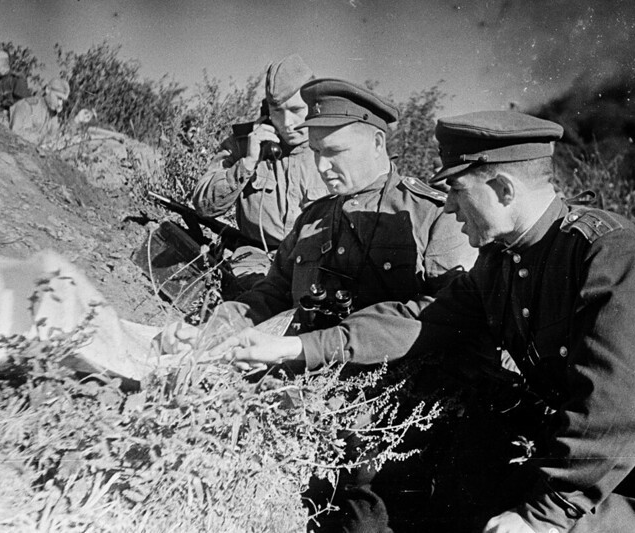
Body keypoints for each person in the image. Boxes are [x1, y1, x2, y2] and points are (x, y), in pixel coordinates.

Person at [225, 110, 635, 533]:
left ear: (502, 189)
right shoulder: (499, 262)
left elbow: (617, 411)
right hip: (569, 458)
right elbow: (418, 319)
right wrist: (295, 349)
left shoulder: (608, 252)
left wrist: (541, 518)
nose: (448, 207)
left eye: (456, 189)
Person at [179, 78, 477, 531]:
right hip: (304, 409)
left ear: (377, 143)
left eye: (334, 152)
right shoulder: (315, 218)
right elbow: (270, 295)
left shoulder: (433, 215)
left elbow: (439, 315)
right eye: (316, 153)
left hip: (393, 426)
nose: (322, 166)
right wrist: (211, 332)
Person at [192, 54, 330, 294]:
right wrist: (248, 161)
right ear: (267, 110)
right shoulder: (244, 144)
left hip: (317, 262)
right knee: (258, 299)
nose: (287, 123)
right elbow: (204, 205)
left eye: (296, 110)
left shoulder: (334, 147)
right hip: (256, 257)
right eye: (278, 111)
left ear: (314, 105)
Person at [9, 77, 70, 146]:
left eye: (62, 100)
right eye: (58, 98)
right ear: (48, 90)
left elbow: (53, 138)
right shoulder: (27, 106)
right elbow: (16, 133)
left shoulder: (53, 115)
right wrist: (42, 140)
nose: (60, 104)